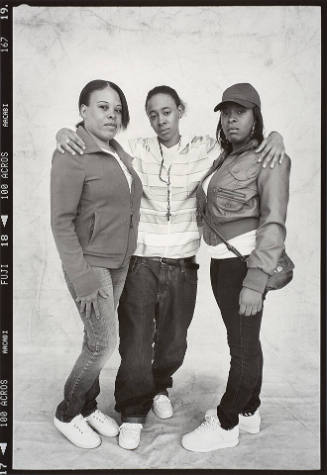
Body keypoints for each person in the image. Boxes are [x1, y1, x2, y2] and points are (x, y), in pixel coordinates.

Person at [55, 85, 285, 450]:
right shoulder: (134, 150)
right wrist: (66, 131)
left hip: (184, 265)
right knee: (134, 344)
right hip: (142, 263)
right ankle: (132, 410)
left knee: (174, 344)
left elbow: (249, 148)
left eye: (167, 111)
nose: (161, 119)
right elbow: (96, 141)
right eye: (153, 113)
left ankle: (159, 386)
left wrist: (275, 136)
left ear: (180, 110)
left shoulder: (208, 149)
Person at [181, 83, 291, 452]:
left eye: (239, 112)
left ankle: (226, 423)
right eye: (226, 113)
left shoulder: (269, 158)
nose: (231, 119)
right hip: (220, 261)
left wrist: (256, 281)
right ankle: (249, 411)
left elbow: (273, 222)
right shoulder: (224, 156)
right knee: (244, 341)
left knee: (241, 349)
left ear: (255, 116)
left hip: (244, 265)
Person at [50, 80, 143, 449]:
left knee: (95, 338)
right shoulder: (71, 151)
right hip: (89, 264)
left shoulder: (118, 152)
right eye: (103, 107)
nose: (112, 115)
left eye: (117, 109)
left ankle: (88, 406)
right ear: (83, 111)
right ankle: (68, 411)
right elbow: (60, 221)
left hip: (118, 262)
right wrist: (81, 276)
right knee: (103, 344)